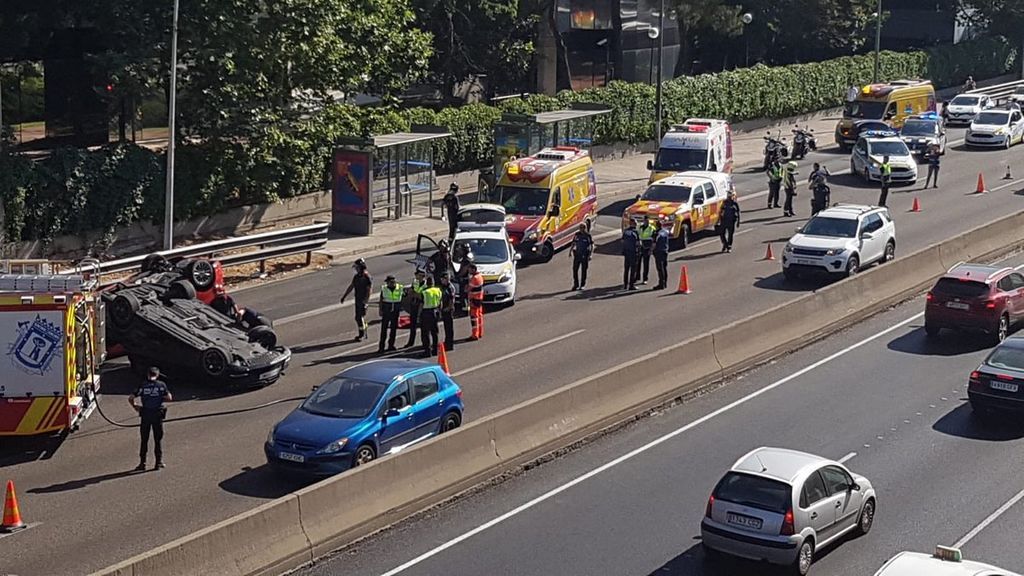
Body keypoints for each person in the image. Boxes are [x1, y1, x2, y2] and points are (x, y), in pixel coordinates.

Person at [129, 367, 172, 471]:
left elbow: (131, 398)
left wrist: (136, 406)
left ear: (148, 375)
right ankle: (158, 463)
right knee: (158, 440)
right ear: (157, 375)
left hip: (146, 415)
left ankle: (142, 463)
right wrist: (159, 398)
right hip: (157, 415)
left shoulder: (143, 385)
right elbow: (169, 398)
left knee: (144, 440)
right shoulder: (161, 385)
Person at [340, 258, 372, 341]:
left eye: (357, 267)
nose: (356, 269)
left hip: (363, 300)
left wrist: (366, 301)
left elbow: (369, 290)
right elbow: (352, 286)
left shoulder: (366, 277)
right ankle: (363, 330)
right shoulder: (356, 277)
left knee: (359, 317)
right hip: (357, 299)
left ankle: (361, 334)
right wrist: (344, 296)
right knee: (358, 317)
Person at [378, 275, 404, 352]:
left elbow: (404, 297)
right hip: (387, 309)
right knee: (384, 329)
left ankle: (391, 345)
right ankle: (381, 347)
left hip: (395, 310)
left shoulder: (400, 288)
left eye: (390, 282)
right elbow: (381, 300)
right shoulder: (384, 288)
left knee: (393, 329)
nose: (389, 284)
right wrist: (380, 310)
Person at [420, 277, 442, 357]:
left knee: (425, 333)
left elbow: (421, 304)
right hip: (435, 311)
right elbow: (440, 302)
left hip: (426, 312)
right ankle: (435, 350)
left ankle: (427, 351)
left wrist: (419, 315)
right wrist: (439, 311)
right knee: (434, 332)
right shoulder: (438, 290)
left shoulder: (425, 292)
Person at [568, 222, 593, 290]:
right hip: (577, 255)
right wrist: (570, 251)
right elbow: (574, 243)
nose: (581, 229)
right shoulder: (577, 234)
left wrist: (590, 255)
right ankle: (576, 284)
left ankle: (582, 285)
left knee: (584, 270)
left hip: (585, 254)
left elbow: (591, 245)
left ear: (585, 228)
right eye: (580, 228)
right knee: (575, 270)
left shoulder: (588, 235)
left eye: (582, 228)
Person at [405, 269, 427, 348]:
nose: (415, 276)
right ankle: (411, 342)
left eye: (417, 274)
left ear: (421, 276)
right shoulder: (415, 282)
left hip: (422, 306)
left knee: (423, 326)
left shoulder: (426, 284)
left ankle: (424, 343)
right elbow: (411, 292)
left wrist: (415, 294)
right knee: (413, 325)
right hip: (414, 305)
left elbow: (422, 296)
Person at [621, 220, 641, 290]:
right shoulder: (636, 232)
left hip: (627, 253)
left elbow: (622, 241)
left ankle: (625, 284)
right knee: (633, 270)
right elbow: (638, 243)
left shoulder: (626, 231)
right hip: (633, 253)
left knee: (626, 269)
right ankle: (631, 285)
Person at [439, 272, 457, 351]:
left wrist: (449, 308)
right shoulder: (443, 287)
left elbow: (451, 299)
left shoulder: (450, 287)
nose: (445, 280)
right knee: (446, 327)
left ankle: (450, 344)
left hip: (448, 310)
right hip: (444, 309)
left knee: (449, 327)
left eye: (446, 279)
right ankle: (447, 342)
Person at [467, 264, 485, 340]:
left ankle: (475, 335)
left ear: (473, 269)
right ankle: (480, 332)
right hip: (479, 299)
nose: (469, 271)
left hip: (474, 299)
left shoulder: (474, 278)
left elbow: (468, 289)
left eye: (470, 269)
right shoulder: (480, 276)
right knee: (479, 316)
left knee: (474, 318)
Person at [638, 216, 656, 285]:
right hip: (641, 246)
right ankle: (637, 277)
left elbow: (654, 240)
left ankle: (645, 279)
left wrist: (651, 249)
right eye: (645, 220)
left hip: (647, 247)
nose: (646, 222)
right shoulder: (640, 227)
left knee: (646, 264)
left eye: (647, 221)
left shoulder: (652, 228)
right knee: (638, 263)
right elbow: (638, 236)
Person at [652, 220, 670, 290]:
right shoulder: (665, 232)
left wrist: (651, 251)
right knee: (664, 268)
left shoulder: (657, 234)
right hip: (665, 251)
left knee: (660, 268)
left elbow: (654, 244)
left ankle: (661, 284)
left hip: (659, 252)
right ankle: (665, 283)